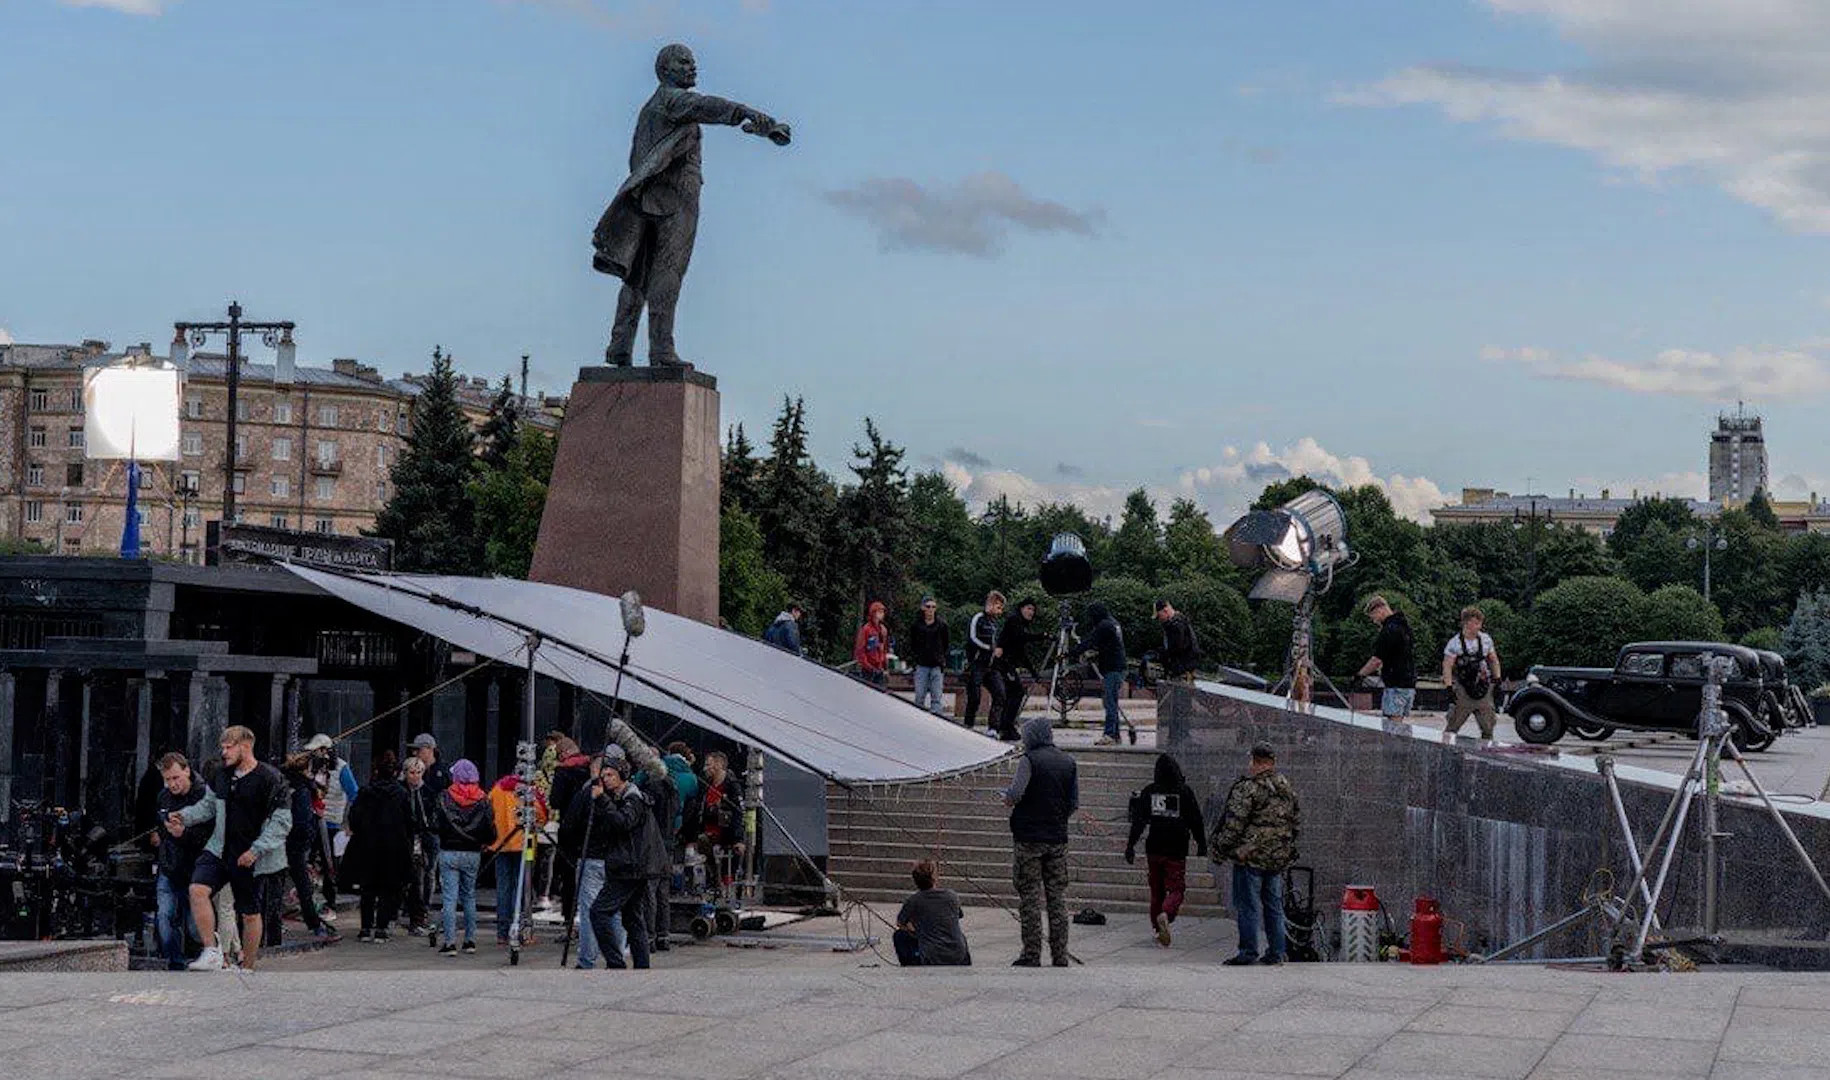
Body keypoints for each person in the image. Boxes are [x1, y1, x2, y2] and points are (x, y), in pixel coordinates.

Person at [593, 43, 790, 368]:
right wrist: (758, 118)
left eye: (692, 62)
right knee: (668, 272)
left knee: (637, 276)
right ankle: (661, 350)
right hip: (674, 200)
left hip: (649, 199)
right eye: (684, 62)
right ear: (664, 70)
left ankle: (619, 346)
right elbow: (710, 106)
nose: (692, 68)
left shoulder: (654, 107)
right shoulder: (671, 100)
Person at [168, 725, 291, 972]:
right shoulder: (222, 775)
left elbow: (282, 823)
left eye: (228, 747)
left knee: (249, 913)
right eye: (222, 747)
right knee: (197, 889)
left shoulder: (270, 778)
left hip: (250, 855)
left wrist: (256, 850)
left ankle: (248, 965)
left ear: (245, 746)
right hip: (220, 848)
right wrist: (184, 816)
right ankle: (212, 950)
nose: (223, 752)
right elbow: (208, 806)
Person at [1212, 743, 1301, 966]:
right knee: (1274, 907)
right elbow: (1295, 823)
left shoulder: (1248, 788)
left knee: (1248, 906)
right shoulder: (1286, 788)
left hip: (1250, 857)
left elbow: (1234, 824)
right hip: (1277, 858)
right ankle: (1277, 952)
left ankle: (1248, 951)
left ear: (1256, 761)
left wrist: (1220, 849)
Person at [1003, 716, 1078, 967]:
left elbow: (1016, 793)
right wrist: (1057, 818)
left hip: (1029, 838)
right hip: (1057, 838)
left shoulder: (1029, 760)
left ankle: (1031, 953)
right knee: (1057, 897)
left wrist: (1007, 798)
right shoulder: (1069, 762)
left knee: (1030, 897)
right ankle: (1060, 955)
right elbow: (1073, 803)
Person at [581, 746, 663, 970]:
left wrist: (601, 801)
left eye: (610, 775)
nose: (606, 779)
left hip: (629, 868)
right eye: (604, 774)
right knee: (632, 918)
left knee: (599, 912)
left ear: (622, 776)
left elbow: (622, 823)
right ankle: (641, 966)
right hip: (631, 866)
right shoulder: (622, 797)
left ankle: (615, 962)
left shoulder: (632, 799)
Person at [1125, 753, 1207, 948]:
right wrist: (1202, 843)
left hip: (1154, 847)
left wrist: (1130, 846)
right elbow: (1196, 820)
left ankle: (1157, 928)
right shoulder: (1184, 792)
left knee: (1156, 891)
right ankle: (1166, 914)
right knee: (1176, 889)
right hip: (1176, 848)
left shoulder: (1150, 791)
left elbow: (1138, 822)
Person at [434, 758, 497, 956]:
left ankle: (450, 942)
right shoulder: (483, 799)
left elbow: (436, 823)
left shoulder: (445, 796)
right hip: (473, 852)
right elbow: (489, 827)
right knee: (469, 896)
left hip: (449, 851)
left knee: (449, 898)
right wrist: (486, 841)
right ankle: (470, 941)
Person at [151, 752, 207, 970]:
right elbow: (161, 824)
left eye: (176, 778)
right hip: (169, 865)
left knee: (195, 925)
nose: (172, 784)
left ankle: (209, 954)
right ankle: (174, 962)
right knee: (165, 916)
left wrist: (182, 834)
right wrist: (162, 834)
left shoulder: (202, 795)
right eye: (167, 779)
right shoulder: (163, 796)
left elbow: (207, 835)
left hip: (195, 867)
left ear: (187, 771)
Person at [484, 768, 549, 947]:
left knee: (503, 888)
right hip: (524, 844)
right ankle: (522, 930)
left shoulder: (497, 789)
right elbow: (542, 815)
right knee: (523, 888)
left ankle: (502, 933)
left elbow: (487, 813)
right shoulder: (530, 791)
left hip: (501, 844)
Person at [278, 753, 334, 941]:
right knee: (303, 885)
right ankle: (314, 924)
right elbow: (302, 822)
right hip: (295, 843)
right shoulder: (302, 790)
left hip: (280, 840)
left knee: (278, 883)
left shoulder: (283, 783)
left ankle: (276, 921)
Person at [894, 859, 971, 967]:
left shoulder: (913, 900)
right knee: (960, 935)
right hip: (959, 956)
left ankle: (910, 966)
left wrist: (915, 928)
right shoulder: (951, 896)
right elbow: (957, 916)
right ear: (934, 878)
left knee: (900, 936)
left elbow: (900, 924)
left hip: (932, 957)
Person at [1443, 605, 1503, 740]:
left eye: (1480, 623)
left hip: (1483, 689)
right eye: (1476, 623)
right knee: (1452, 726)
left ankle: (1486, 753)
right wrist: (1448, 687)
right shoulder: (1455, 643)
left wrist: (1497, 680)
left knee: (1488, 727)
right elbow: (1447, 666)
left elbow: (1493, 660)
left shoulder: (1486, 639)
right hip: (1464, 690)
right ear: (1466, 623)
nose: (1479, 626)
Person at [1356, 595, 1417, 719]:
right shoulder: (1405, 627)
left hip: (1396, 685)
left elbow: (1377, 660)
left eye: (1373, 616)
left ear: (1380, 609)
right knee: (1398, 723)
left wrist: (1360, 675)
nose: (1374, 621)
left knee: (1392, 726)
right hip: (1408, 683)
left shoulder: (1389, 630)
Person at [994, 598, 1045, 741]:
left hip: (1010, 663)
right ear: (1021, 608)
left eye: (1033, 610)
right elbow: (1020, 637)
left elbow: (1021, 653)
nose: (1031, 612)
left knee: (1013, 694)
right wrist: (1041, 636)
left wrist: (1033, 672)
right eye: (1028, 608)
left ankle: (1006, 726)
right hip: (1004, 663)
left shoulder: (1021, 624)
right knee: (1016, 692)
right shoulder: (1014, 620)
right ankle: (1006, 726)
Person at [1077, 601, 1127, 745]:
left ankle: (1109, 734)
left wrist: (1071, 652)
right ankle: (1115, 734)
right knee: (1112, 701)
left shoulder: (1104, 625)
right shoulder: (1113, 623)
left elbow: (1090, 641)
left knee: (1109, 702)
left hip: (1112, 668)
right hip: (1117, 667)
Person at [401, 756, 437, 937]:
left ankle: (423, 910)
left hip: (425, 838)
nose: (415, 777)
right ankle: (411, 909)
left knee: (427, 873)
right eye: (412, 773)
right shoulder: (401, 791)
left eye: (418, 773)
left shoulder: (428, 792)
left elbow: (432, 815)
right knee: (413, 877)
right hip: (408, 838)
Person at [963, 592, 1006, 731]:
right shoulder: (978, 618)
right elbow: (972, 638)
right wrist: (990, 649)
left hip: (992, 665)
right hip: (977, 663)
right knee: (974, 697)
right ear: (991, 604)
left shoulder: (994, 623)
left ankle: (993, 728)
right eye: (998, 607)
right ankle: (968, 724)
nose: (1000, 611)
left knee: (1000, 694)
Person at [908, 596, 951, 716]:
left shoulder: (942, 625)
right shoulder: (916, 625)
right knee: (919, 695)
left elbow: (946, 643)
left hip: (937, 664)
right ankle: (917, 717)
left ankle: (936, 718)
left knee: (936, 696)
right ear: (923, 608)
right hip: (922, 664)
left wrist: (942, 659)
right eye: (928, 606)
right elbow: (912, 644)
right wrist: (915, 659)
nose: (931, 609)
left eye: (933, 607)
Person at [1155, 600, 1201, 681]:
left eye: (1159, 616)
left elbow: (1175, 648)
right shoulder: (1178, 622)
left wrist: (1162, 655)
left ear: (1165, 611)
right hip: (1185, 667)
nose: (1159, 619)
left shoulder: (1177, 625)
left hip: (1183, 669)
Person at [854, 601, 891, 687]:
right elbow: (860, 650)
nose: (882, 614)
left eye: (883, 612)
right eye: (880, 612)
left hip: (880, 668)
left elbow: (884, 649)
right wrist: (868, 666)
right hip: (868, 670)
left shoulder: (883, 629)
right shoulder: (866, 629)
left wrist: (885, 667)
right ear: (873, 613)